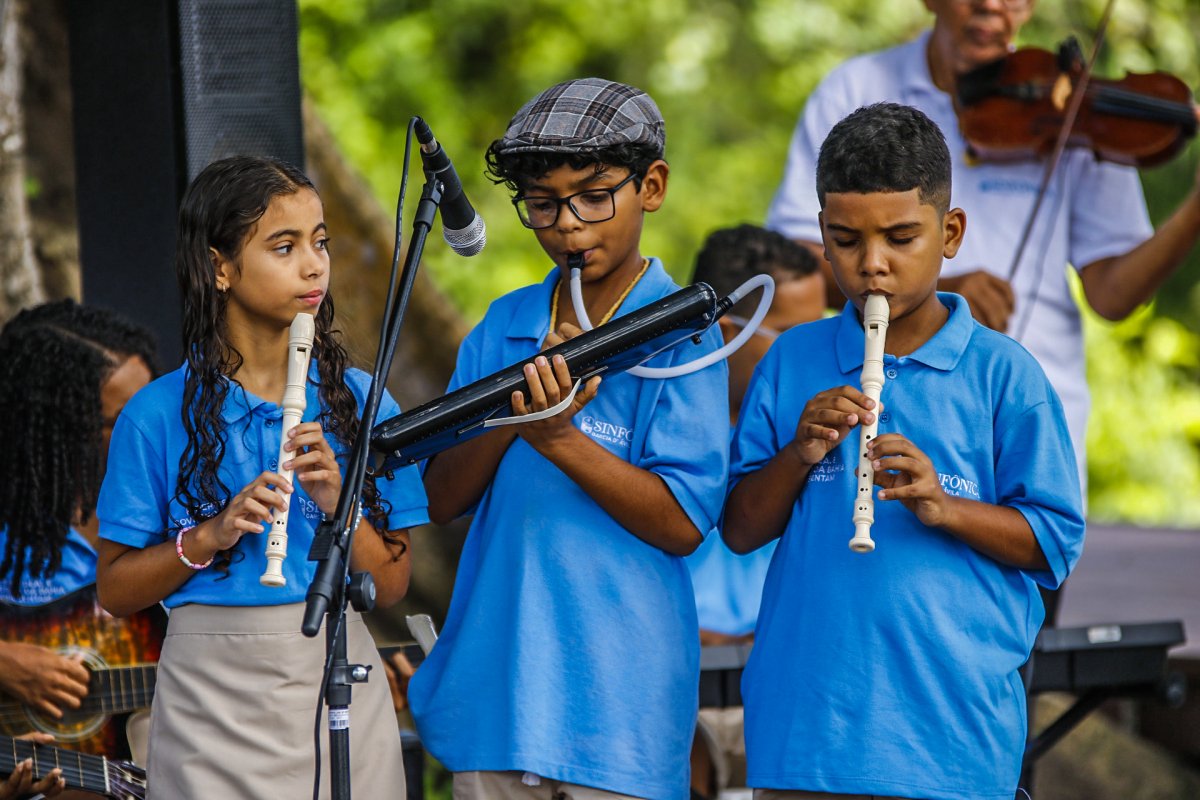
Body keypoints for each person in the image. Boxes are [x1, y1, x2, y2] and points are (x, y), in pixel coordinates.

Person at [724, 103, 1085, 799]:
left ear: (950, 233)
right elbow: (740, 529)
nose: (872, 265)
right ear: (822, 237)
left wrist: (946, 508)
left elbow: (1054, 542)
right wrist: (798, 453)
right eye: (846, 240)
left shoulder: (1005, 375)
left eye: (900, 237)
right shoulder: (792, 359)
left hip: (948, 748)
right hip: (805, 743)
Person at [409, 77, 731, 800]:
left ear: (652, 187)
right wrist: (515, 412)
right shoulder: (504, 324)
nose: (569, 226)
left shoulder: (683, 333)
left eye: (594, 197)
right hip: (497, 701)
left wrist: (559, 439)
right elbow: (440, 498)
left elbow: (683, 523)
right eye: (544, 204)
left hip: (618, 714)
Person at [94, 156, 429, 798]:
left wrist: (338, 501)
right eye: (284, 246)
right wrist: (209, 536)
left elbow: (390, 584)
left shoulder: (361, 402)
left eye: (320, 242)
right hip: (208, 698)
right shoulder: (155, 414)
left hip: (334, 677)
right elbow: (115, 589)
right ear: (218, 267)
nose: (314, 265)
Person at [765, 0, 1200, 488]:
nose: (992, 4)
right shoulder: (855, 89)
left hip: (1028, 420)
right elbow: (794, 263)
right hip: (872, 399)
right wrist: (934, 292)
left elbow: (1113, 294)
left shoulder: (1074, 108)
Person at [684, 225, 824, 798]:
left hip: (790, 680)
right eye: (792, 335)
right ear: (725, 332)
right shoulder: (662, 427)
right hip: (680, 683)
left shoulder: (815, 433)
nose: (814, 352)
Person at [0, 299, 160, 789]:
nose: (149, 430)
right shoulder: (12, 531)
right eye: (122, 419)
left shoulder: (175, 516)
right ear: (60, 425)